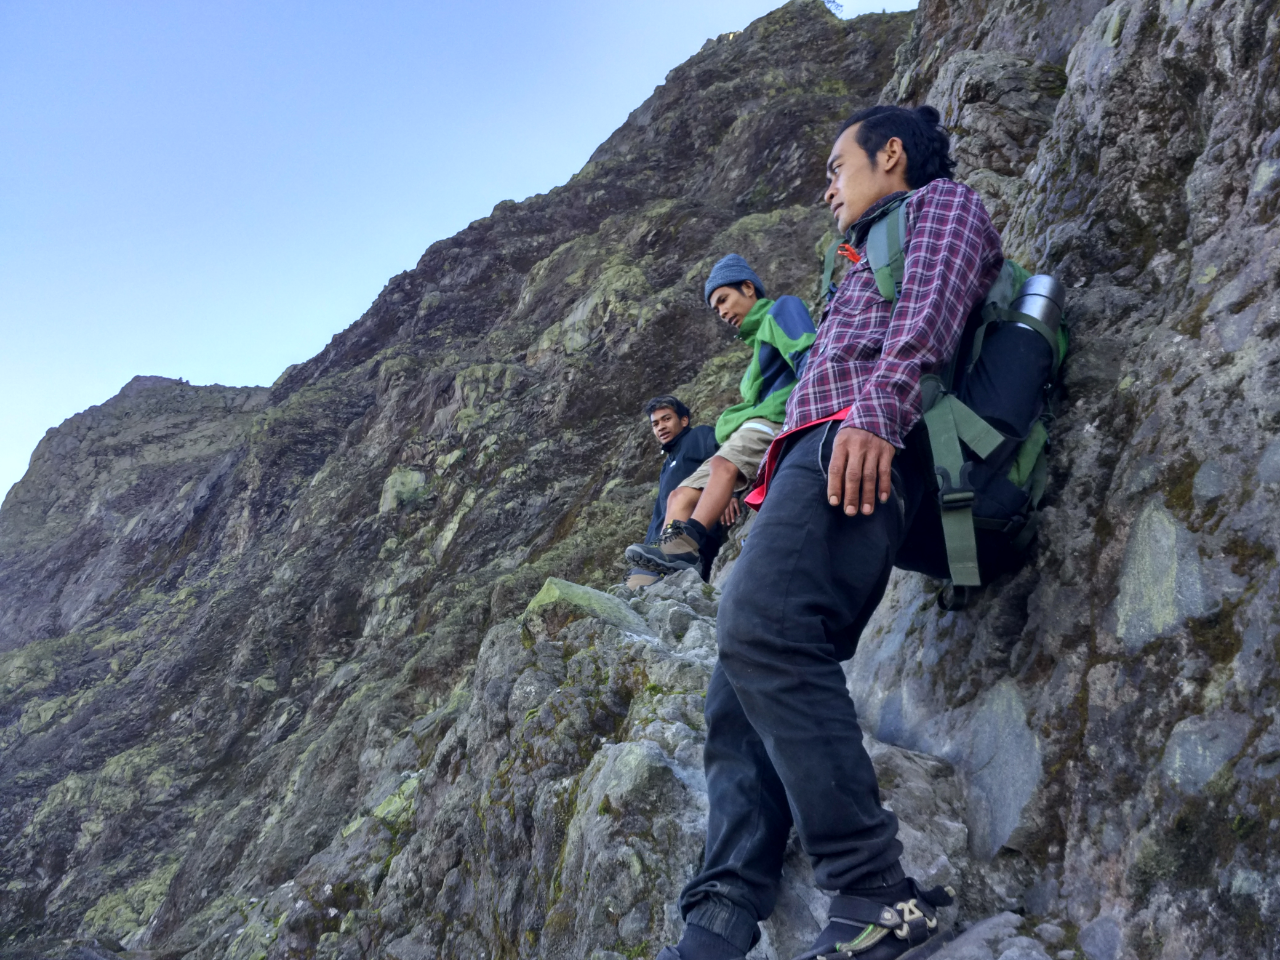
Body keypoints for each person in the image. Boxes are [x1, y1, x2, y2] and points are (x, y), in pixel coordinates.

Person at [655, 105, 1004, 960]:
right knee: (737, 681)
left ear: (891, 156)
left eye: (836, 167)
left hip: (862, 443)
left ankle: (875, 891)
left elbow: (928, 314)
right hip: (814, 455)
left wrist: (879, 415)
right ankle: (721, 920)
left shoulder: (941, 206)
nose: (826, 189)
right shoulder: (854, 255)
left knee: (763, 633)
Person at [626, 255, 815, 574]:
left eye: (724, 300)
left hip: (778, 419)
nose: (723, 312)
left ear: (748, 287)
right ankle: (661, 564)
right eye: (716, 309)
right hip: (752, 426)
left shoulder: (781, 310)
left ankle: (684, 547)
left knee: (722, 464)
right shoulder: (756, 346)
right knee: (679, 494)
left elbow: (808, 355)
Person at [624, 396, 721, 590]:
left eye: (666, 419)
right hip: (658, 550)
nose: (660, 427)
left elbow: (725, 459)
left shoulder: (700, 435)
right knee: (629, 598)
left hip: (691, 541)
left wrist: (734, 494)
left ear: (684, 420)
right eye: (655, 424)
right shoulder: (667, 465)